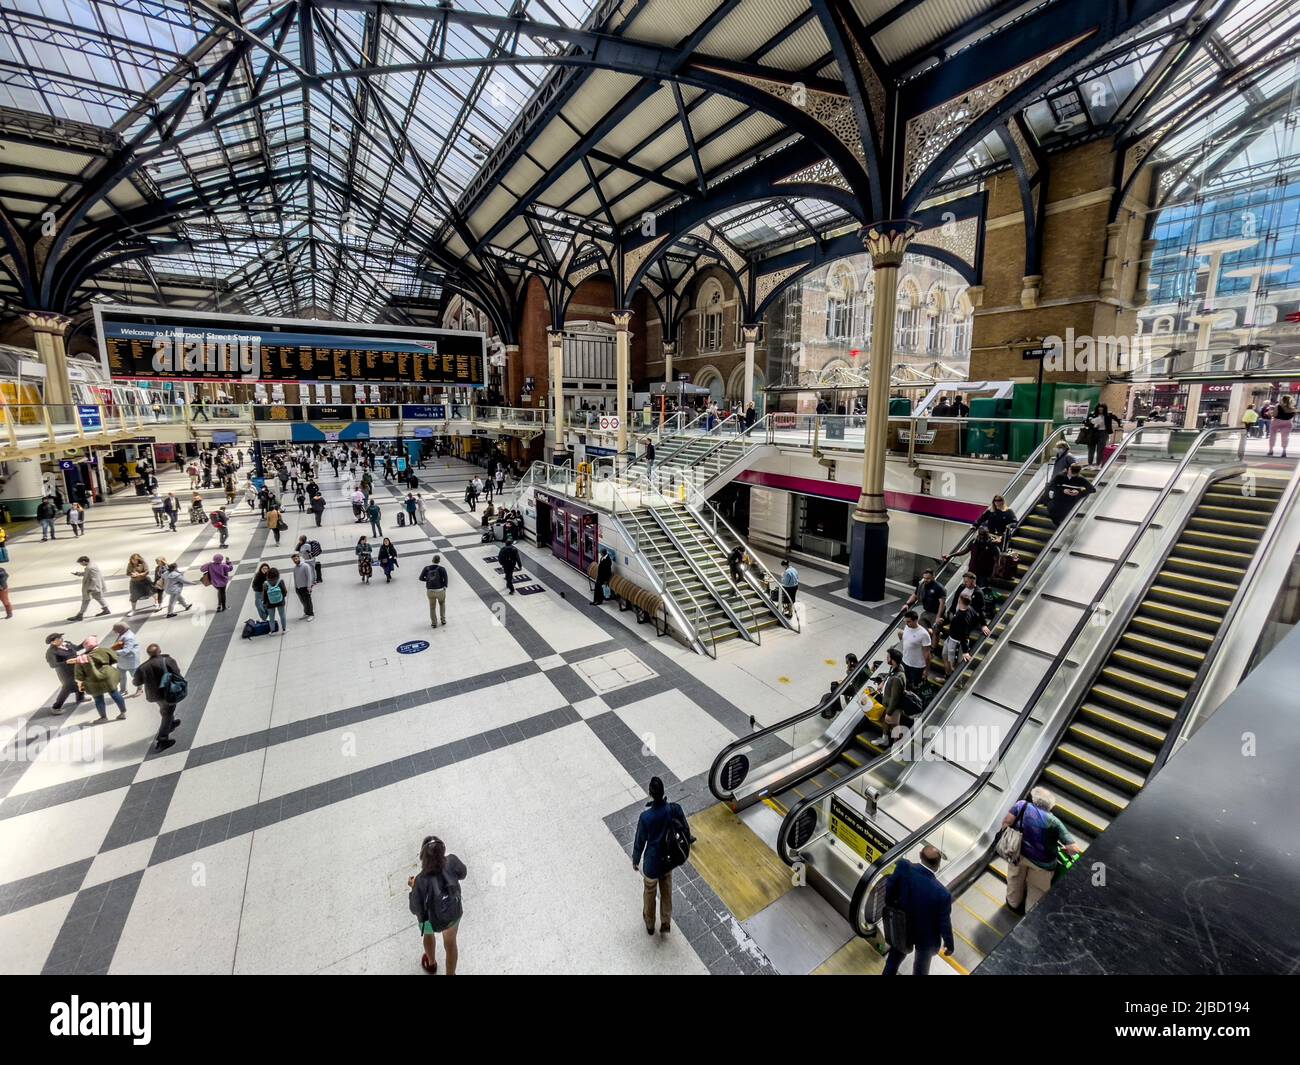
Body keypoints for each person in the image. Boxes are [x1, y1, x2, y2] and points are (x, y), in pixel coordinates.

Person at [1001, 787, 1083, 915]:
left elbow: (1007, 822)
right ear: (1050, 806)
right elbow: (1074, 849)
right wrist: (1065, 849)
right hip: (1042, 864)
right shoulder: (1054, 822)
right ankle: (1029, 913)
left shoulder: (1021, 805)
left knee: (1015, 879)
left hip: (1017, 853)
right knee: (1037, 888)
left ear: (1034, 799)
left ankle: (1013, 904)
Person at [631, 776, 691, 936]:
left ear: (650, 793)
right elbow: (685, 829)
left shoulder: (646, 817)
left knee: (649, 893)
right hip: (668, 860)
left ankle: (650, 924)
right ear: (663, 792)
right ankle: (665, 922)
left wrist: (636, 860)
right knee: (666, 890)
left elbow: (640, 841)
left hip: (651, 863)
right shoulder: (674, 809)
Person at [881, 845, 954, 976]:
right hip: (926, 938)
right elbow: (944, 922)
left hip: (901, 925)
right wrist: (949, 944)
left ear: (920, 855)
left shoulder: (904, 868)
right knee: (921, 969)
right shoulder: (943, 894)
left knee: (894, 960)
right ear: (937, 866)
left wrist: (892, 904)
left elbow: (890, 885)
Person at [407, 836, 467, 975]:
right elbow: (463, 873)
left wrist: (413, 888)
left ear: (423, 858)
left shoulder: (420, 881)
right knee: (451, 944)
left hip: (429, 919)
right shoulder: (451, 861)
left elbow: (414, 908)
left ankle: (431, 963)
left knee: (428, 934)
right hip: (453, 913)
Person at [133, 643, 186, 751]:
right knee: (167, 713)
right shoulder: (167, 660)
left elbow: (136, 682)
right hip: (167, 692)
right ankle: (162, 739)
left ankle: (171, 723)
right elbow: (177, 673)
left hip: (154, 695)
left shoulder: (143, 667)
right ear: (159, 651)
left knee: (165, 709)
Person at [73, 636, 127, 723]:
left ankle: (103, 717)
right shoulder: (104, 650)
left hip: (93, 682)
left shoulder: (81, 659)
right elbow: (115, 658)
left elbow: (79, 676)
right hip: (108, 677)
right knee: (115, 693)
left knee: (98, 699)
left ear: (85, 646)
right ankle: (123, 712)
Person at [940, 590, 990, 674]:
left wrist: (965, 651)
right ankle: (947, 676)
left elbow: (964, 635)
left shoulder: (962, 618)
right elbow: (978, 617)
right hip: (950, 638)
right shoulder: (969, 609)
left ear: (960, 601)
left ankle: (956, 683)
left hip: (956, 643)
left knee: (954, 664)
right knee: (945, 655)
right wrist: (983, 625)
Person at [45, 633, 86, 714]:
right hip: (65, 672)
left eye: (60, 637)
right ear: (53, 642)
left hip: (76, 668)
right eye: (58, 639)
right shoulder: (51, 652)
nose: (61, 639)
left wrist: (84, 643)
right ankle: (56, 707)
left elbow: (77, 648)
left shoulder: (68, 644)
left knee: (80, 681)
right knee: (67, 688)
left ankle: (80, 698)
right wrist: (66, 662)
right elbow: (53, 665)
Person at [68, 556, 111, 621]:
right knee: (99, 598)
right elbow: (89, 574)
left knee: (86, 600)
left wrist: (91, 588)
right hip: (97, 586)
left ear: (84, 561)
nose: (81, 564)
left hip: (91, 587)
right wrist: (79, 574)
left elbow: (94, 579)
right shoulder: (92, 565)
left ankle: (80, 615)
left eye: (80, 563)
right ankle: (106, 610)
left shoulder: (89, 568)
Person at [904, 568, 946, 633]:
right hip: (927, 612)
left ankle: (934, 641)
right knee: (920, 628)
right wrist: (907, 604)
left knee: (936, 630)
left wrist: (938, 617)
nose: (926, 580)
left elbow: (942, 604)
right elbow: (915, 595)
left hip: (936, 613)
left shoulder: (939, 587)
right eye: (924, 578)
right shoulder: (922, 585)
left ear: (933, 577)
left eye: (928, 578)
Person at [898, 611, 931, 688]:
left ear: (916, 620)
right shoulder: (906, 627)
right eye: (905, 621)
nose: (906, 623)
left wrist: (926, 670)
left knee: (915, 686)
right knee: (904, 684)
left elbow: (927, 654)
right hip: (905, 662)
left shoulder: (923, 634)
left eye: (909, 621)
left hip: (917, 666)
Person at [1084, 403, 1119, 467]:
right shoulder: (1092, 414)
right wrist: (1092, 423)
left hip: (1103, 433)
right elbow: (1086, 423)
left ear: (1104, 409)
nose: (1100, 409)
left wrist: (1120, 424)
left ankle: (1098, 464)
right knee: (1091, 449)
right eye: (1099, 408)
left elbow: (1117, 419)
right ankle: (1090, 464)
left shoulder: (1108, 415)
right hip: (1093, 433)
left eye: (1102, 408)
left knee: (1100, 449)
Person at [419, 554, 449, 628]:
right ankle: (443, 620)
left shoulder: (426, 568)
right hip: (440, 591)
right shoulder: (442, 569)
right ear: (439, 561)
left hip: (430, 591)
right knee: (442, 604)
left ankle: (434, 623)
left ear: (432, 560)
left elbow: (420, 578)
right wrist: (444, 587)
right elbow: (446, 579)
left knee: (432, 607)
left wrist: (428, 580)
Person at [261, 566, 289, 632]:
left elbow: (264, 594)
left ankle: (272, 631)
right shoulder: (280, 581)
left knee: (271, 617)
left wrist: (265, 602)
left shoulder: (265, 583)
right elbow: (284, 591)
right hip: (280, 601)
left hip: (270, 603)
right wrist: (282, 597)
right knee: (282, 615)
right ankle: (284, 629)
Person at [1268, 394, 1295, 458]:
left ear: (1283, 400)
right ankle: (1284, 450)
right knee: (1285, 437)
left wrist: (1270, 413)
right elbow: (1292, 416)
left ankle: (1271, 450)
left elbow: (1274, 415)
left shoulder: (1278, 406)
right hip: (1288, 422)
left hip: (1277, 421)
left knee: (1272, 435)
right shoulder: (1292, 408)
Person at [291, 552, 316, 619]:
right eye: (293, 560)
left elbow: (309, 577)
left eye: (296, 558)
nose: (295, 560)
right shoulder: (295, 568)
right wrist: (296, 588)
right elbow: (295, 578)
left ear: (299, 558)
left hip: (306, 587)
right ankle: (306, 612)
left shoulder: (305, 566)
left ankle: (311, 614)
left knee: (308, 601)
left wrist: (309, 586)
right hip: (299, 588)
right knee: (303, 602)